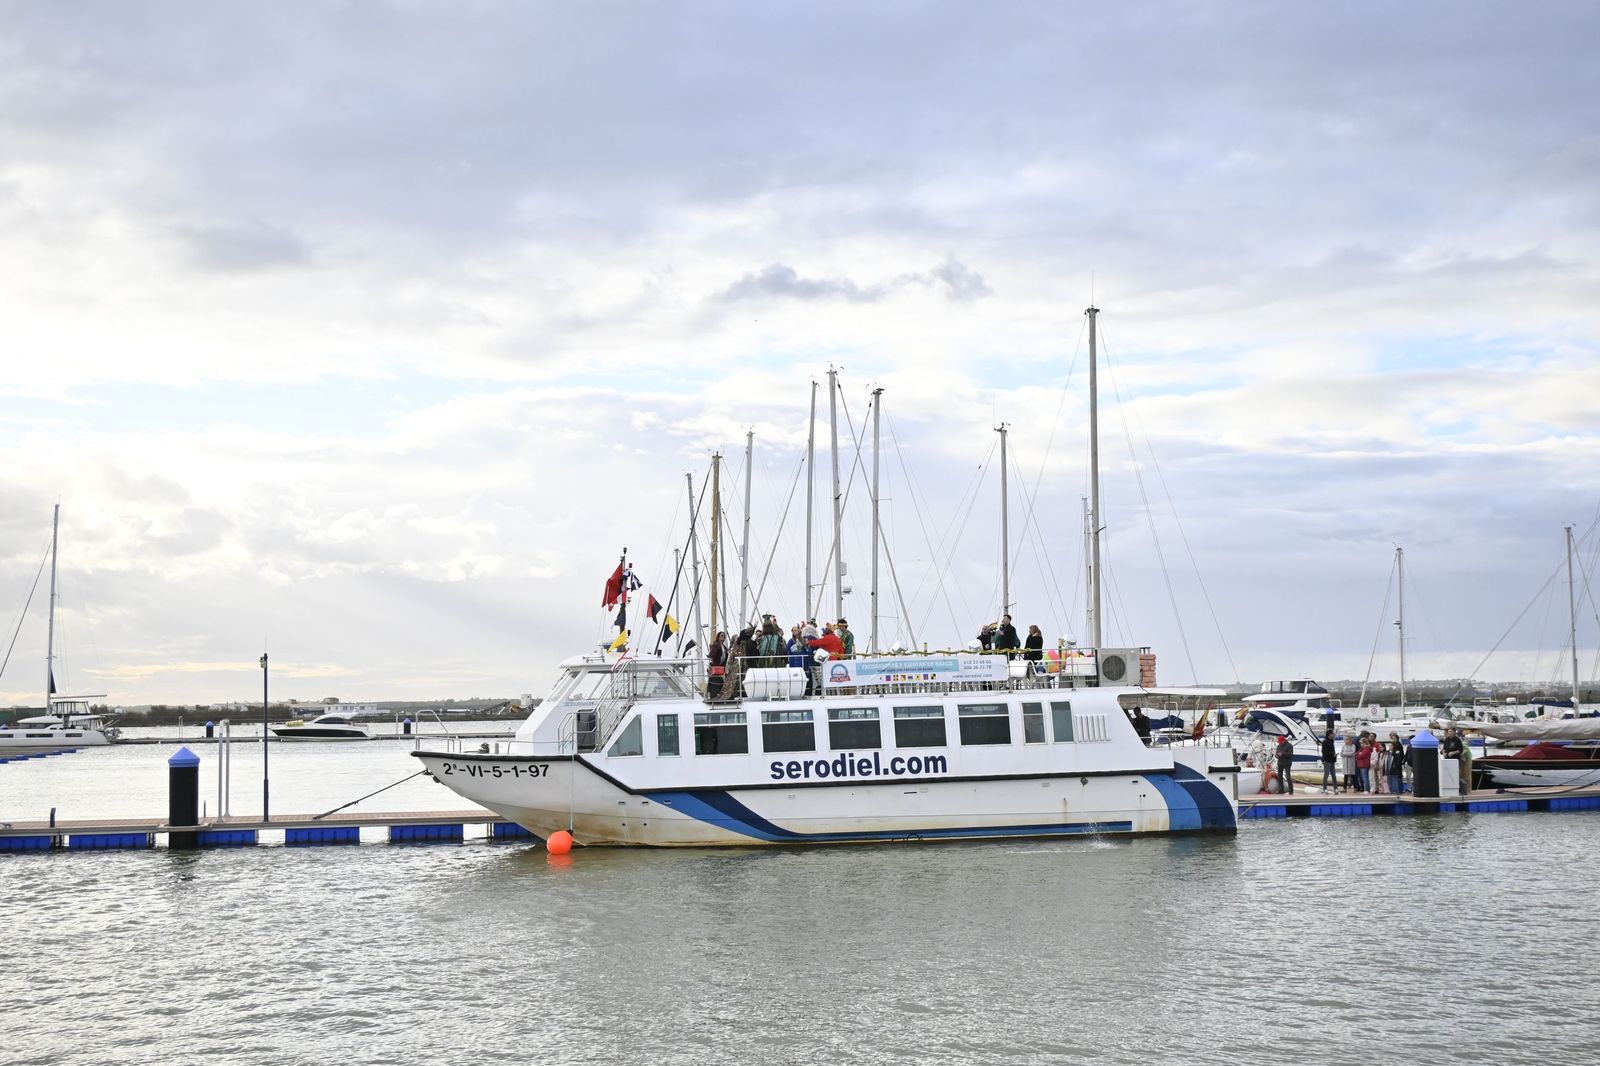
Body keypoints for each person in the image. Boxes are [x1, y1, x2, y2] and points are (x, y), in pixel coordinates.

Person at [707, 631, 728, 701]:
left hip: (722, 667)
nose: (723, 637)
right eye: (722, 635)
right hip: (716, 666)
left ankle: (720, 694)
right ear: (718, 637)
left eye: (724, 636)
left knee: (721, 680)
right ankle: (714, 695)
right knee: (716, 680)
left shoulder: (724, 647)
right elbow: (711, 655)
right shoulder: (716, 645)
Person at [1320, 727, 1339, 793]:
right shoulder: (1325, 742)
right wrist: (1332, 754)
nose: (1334, 734)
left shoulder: (1331, 741)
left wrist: (1334, 756)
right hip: (1326, 760)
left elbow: (1332, 750)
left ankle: (1335, 788)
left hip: (1332, 760)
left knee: (1334, 775)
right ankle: (1324, 788)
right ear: (1330, 734)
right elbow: (1324, 752)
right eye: (1333, 733)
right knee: (1326, 775)